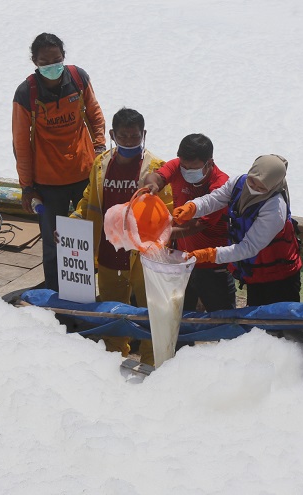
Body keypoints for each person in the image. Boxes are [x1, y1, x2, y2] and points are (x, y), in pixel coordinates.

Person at [71, 108, 172, 365]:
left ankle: (152, 364)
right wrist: (73, 223)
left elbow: (167, 212)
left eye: (134, 136)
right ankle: (113, 362)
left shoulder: (156, 170)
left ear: (144, 134)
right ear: (112, 134)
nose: (129, 141)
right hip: (108, 252)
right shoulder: (101, 164)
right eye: (124, 136)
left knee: (151, 314)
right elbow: (88, 200)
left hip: (144, 258)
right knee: (112, 314)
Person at [12, 32, 106, 292]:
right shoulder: (26, 93)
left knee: (85, 238)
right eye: (45, 61)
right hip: (48, 182)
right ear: (34, 61)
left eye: (57, 60)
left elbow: (95, 115)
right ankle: (56, 296)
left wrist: (99, 147)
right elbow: (21, 144)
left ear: (64, 57)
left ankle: (84, 292)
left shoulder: (78, 78)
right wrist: (27, 187)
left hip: (84, 174)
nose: (52, 66)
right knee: (54, 243)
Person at [173, 154, 302, 307]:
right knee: (255, 319)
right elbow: (215, 199)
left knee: (279, 322)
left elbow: (249, 247)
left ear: (273, 185)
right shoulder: (238, 183)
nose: (254, 188)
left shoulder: (275, 209)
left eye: (262, 187)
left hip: (280, 277)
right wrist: (192, 207)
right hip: (254, 274)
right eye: (252, 181)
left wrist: (211, 254)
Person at [142, 134, 236, 311]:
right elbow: (156, 177)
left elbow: (196, 226)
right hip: (181, 262)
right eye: (183, 166)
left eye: (192, 168)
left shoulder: (221, 185)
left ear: (209, 163)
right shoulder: (177, 166)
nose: (185, 171)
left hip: (213, 265)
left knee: (223, 319)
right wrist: (151, 186)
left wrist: (160, 234)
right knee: (179, 315)